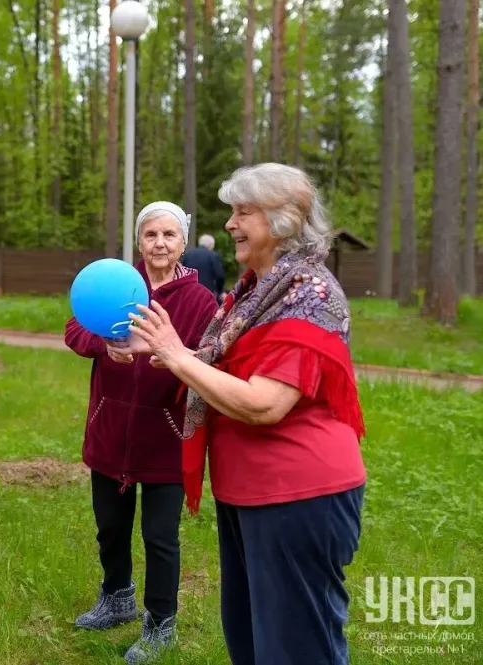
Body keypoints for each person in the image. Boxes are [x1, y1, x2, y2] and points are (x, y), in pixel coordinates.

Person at [119, 163, 367, 665]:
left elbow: (263, 403)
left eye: (242, 212)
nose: (230, 224)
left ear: (283, 220)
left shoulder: (309, 294)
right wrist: (160, 348)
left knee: (297, 648)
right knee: (252, 641)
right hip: (250, 495)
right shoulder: (259, 289)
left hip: (298, 495)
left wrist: (179, 356)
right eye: (231, 212)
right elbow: (221, 359)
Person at [65, 202, 219, 664]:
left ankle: (160, 624)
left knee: (159, 536)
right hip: (110, 431)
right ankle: (116, 598)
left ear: (182, 244)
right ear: (139, 241)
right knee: (110, 529)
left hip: (164, 437)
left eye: (169, 235)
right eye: (151, 234)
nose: (159, 243)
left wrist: (177, 356)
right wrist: (104, 346)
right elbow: (75, 330)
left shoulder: (199, 301)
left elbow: (210, 355)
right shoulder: (115, 284)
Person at [182, 233, 226, 302]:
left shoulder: (188, 254)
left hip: (188, 292)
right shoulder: (213, 256)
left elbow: (181, 272)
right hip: (207, 293)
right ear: (211, 245)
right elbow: (219, 275)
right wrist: (220, 291)